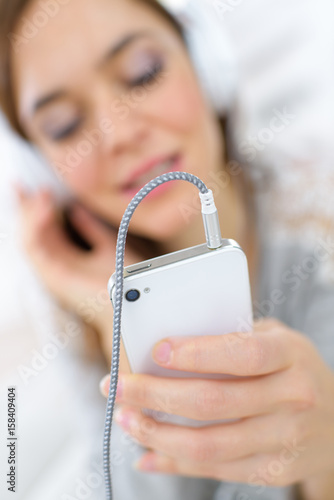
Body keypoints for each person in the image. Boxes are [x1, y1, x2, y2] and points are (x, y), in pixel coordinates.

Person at [1, 1, 334, 499]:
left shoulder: (319, 238)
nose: (119, 135)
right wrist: (110, 315)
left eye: (143, 74)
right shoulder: (80, 300)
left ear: (206, 64)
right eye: (64, 126)